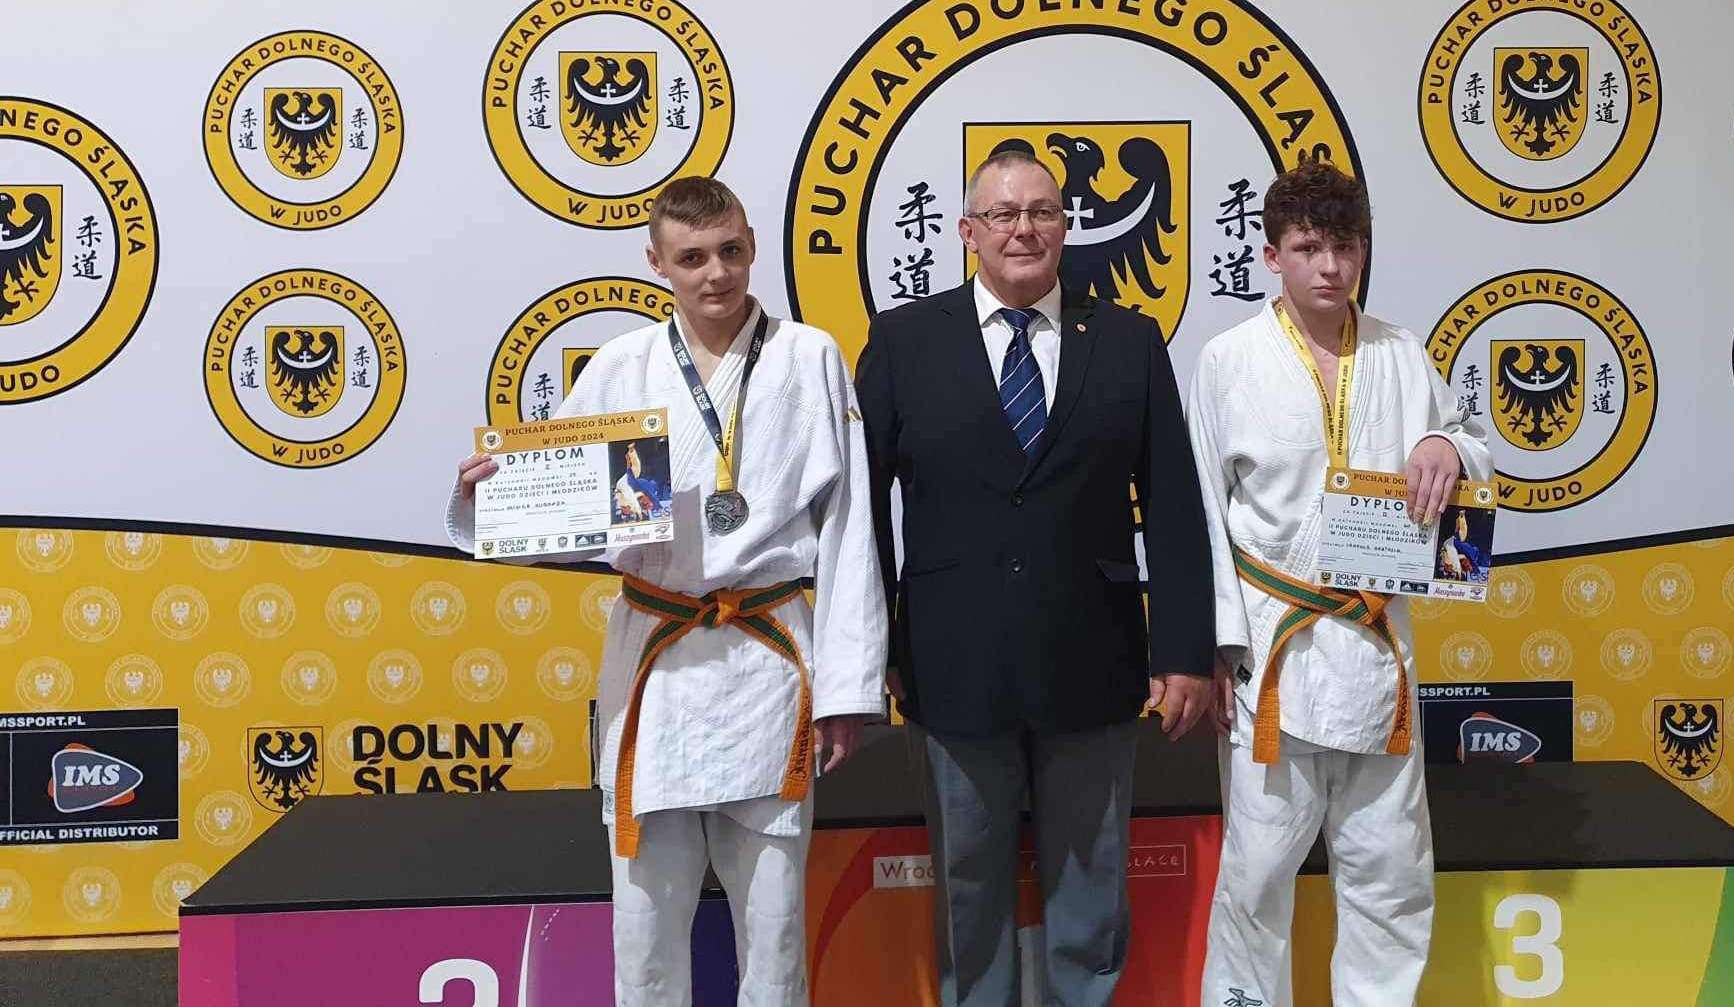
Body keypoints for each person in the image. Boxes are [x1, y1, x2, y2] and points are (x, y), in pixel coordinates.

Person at [447, 176, 886, 1007]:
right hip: (656, 665)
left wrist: (849, 688)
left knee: (775, 932)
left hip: (767, 660)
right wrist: (488, 503)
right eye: (692, 258)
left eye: (730, 251)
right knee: (644, 930)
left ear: (751, 245)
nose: (716, 273)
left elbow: (850, 527)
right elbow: (567, 513)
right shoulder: (621, 367)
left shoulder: (809, 357)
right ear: (657, 263)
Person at [856, 147, 1216, 1006]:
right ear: (967, 231)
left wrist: (1184, 652)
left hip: (1094, 658)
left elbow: (1173, 505)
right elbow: (861, 512)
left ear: (1065, 225)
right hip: (950, 664)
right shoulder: (904, 341)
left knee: (1091, 894)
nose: (1024, 229)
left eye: (1043, 212)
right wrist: (876, 647)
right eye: (1004, 213)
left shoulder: (1128, 340)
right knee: (966, 890)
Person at [1190, 160, 1493, 1007]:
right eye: (1307, 247)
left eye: (1345, 246)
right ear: (1272, 256)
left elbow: (1472, 442)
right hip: (1271, 654)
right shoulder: (1227, 360)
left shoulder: (1402, 353)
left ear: (1364, 251)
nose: (1330, 267)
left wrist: (1447, 446)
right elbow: (1203, 509)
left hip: (1375, 651)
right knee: (1256, 875)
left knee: (1390, 873)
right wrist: (1214, 644)